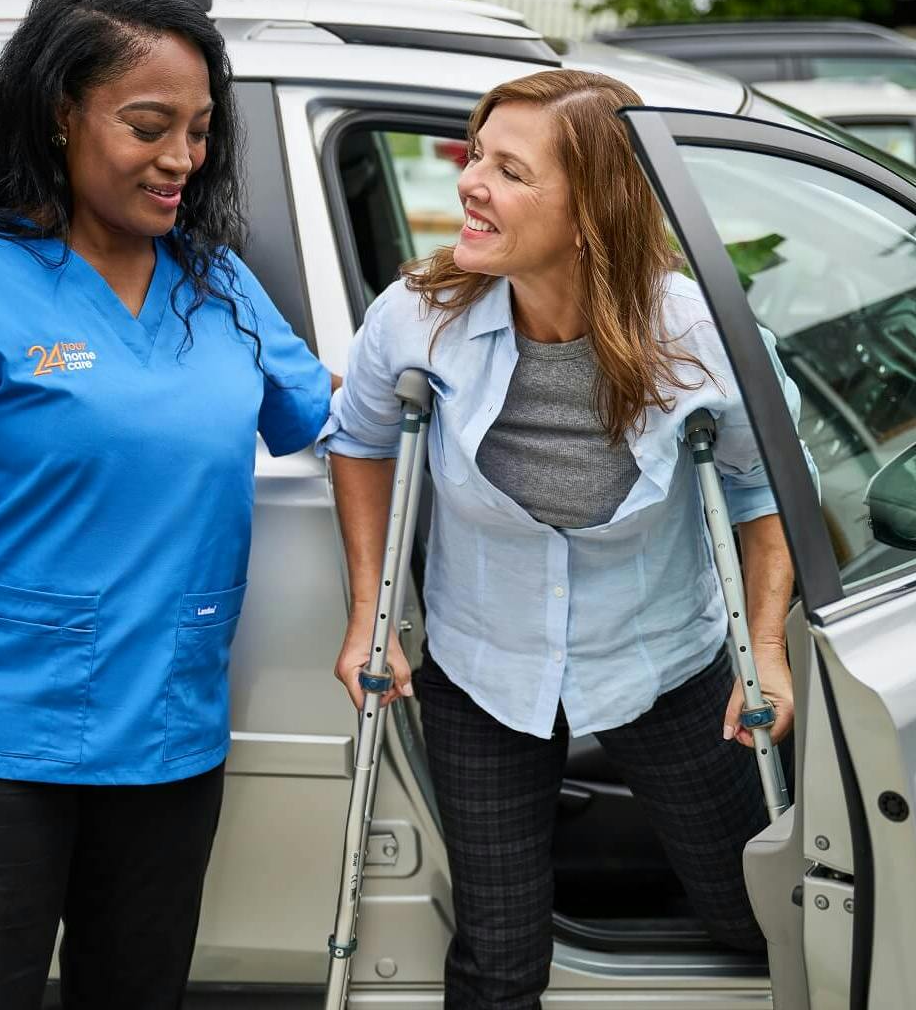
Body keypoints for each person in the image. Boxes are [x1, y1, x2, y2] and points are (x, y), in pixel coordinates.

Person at [0, 0, 330, 1009]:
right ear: (61, 114)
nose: (183, 158)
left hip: (167, 741)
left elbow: (338, 421)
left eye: (200, 131)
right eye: (149, 127)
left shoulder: (218, 285)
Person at [319, 69, 812, 1009]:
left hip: (661, 659)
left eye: (510, 171)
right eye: (478, 155)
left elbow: (763, 486)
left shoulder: (702, 335)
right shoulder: (417, 317)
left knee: (749, 912)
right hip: (482, 662)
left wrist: (768, 650)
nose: (470, 182)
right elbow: (364, 443)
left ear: (590, 212)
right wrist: (367, 616)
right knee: (499, 959)